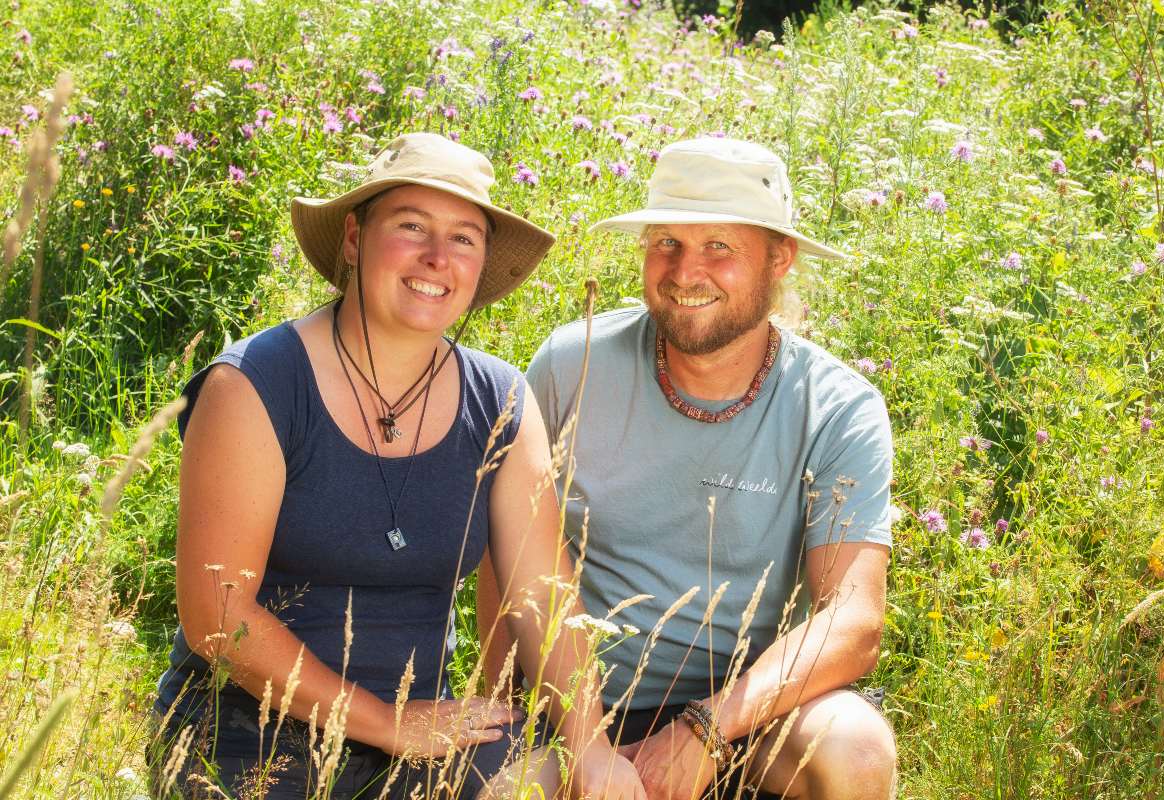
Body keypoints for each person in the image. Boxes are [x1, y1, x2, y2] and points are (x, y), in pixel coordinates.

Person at [150, 133, 643, 799]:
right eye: (412, 227)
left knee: (554, 782)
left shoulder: (500, 401)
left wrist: (593, 747)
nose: (438, 258)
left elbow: (542, 594)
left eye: (464, 238)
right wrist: (385, 723)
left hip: (431, 733)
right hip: (251, 736)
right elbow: (217, 613)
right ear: (353, 239)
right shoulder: (256, 385)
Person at [486, 137, 897, 800]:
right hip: (580, 716)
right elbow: (507, 561)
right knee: (505, 792)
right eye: (666, 242)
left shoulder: (837, 406)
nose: (684, 271)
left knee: (856, 749)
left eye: (719, 247)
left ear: (780, 257)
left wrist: (707, 729)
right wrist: (518, 723)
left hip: (750, 715)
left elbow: (854, 622)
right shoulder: (572, 364)